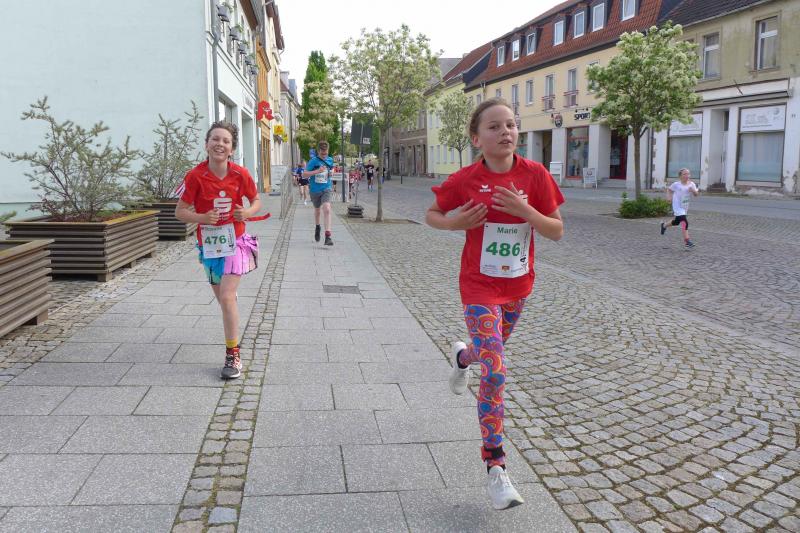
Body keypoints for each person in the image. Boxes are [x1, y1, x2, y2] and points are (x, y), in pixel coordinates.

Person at [425, 98, 564, 510]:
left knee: (487, 354)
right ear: (476, 138)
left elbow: (556, 230)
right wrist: (454, 222)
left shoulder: (535, 175)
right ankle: (496, 467)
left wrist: (526, 210)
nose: (506, 132)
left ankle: (462, 358)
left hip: (518, 286)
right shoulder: (466, 179)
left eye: (511, 124)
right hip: (479, 287)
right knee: (496, 370)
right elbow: (432, 214)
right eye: (494, 126)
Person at [175, 121, 263, 380]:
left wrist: (247, 212)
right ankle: (231, 305)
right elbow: (180, 212)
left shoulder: (240, 174)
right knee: (225, 300)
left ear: (232, 149)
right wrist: (202, 218)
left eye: (226, 141)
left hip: (236, 242)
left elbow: (256, 200)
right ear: (206, 144)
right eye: (215, 139)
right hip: (211, 247)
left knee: (226, 297)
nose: (220, 144)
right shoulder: (195, 176)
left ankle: (233, 355)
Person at [303, 141, 335, 246]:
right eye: (322, 153)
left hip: (326, 188)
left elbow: (331, 170)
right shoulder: (313, 161)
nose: (324, 155)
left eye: (326, 153)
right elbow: (304, 175)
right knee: (317, 210)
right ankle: (317, 227)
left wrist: (331, 173)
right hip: (315, 190)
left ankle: (328, 236)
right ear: (318, 151)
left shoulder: (330, 160)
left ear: (328, 151)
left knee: (327, 209)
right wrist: (317, 171)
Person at [660, 168, 699, 248]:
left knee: (677, 222)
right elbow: (669, 190)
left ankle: (664, 225)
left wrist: (693, 191)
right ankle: (687, 241)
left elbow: (696, 194)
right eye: (684, 174)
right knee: (684, 221)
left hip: (684, 206)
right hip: (677, 206)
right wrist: (669, 197)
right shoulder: (676, 184)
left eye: (688, 174)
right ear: (680, 176)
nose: (687, 175)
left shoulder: (692, 184)